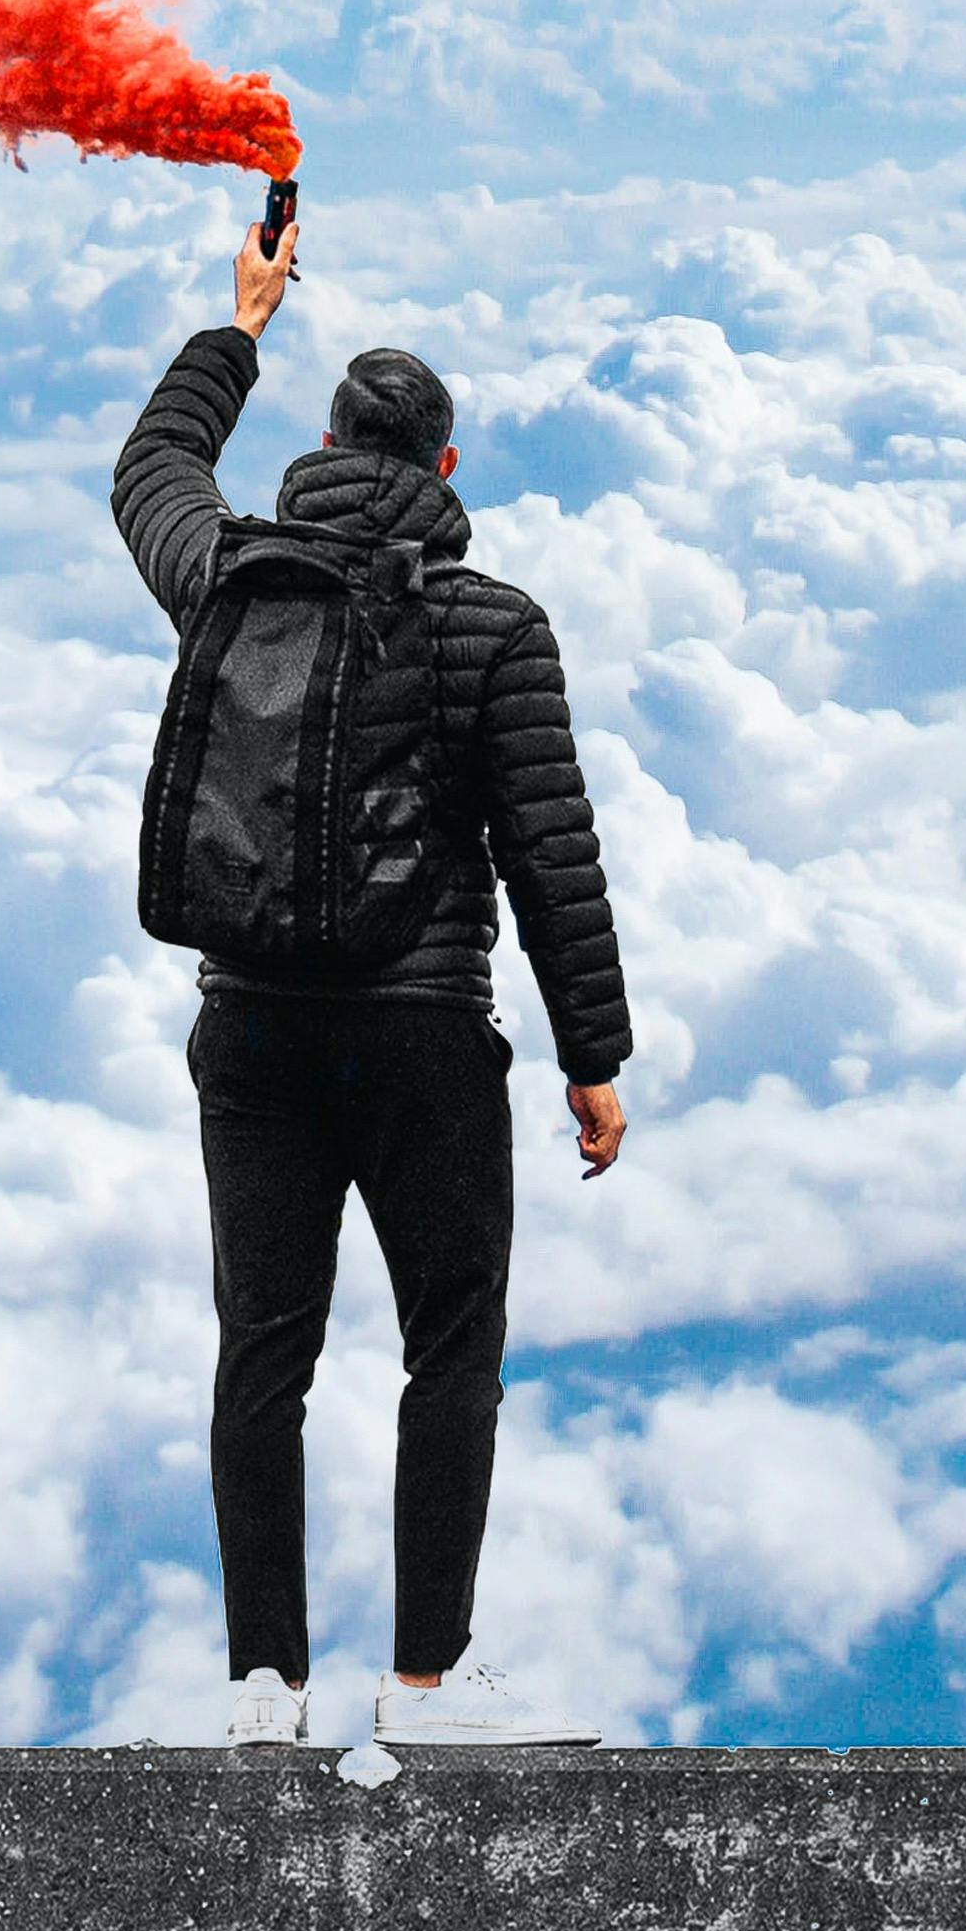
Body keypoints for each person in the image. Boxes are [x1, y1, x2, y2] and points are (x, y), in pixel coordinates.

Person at [111, 213, 631, 1749]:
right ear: (446, 473)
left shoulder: (230, 578)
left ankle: (265, 1691)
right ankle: (429, 1687)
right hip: (421, 1037)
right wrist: (592, 1055)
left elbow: (149, 474)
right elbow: (552, 856)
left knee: (262, 1351)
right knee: (447, 1347)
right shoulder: (492, 625)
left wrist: (239, 329)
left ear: (327, 446)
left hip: (251, 1032)